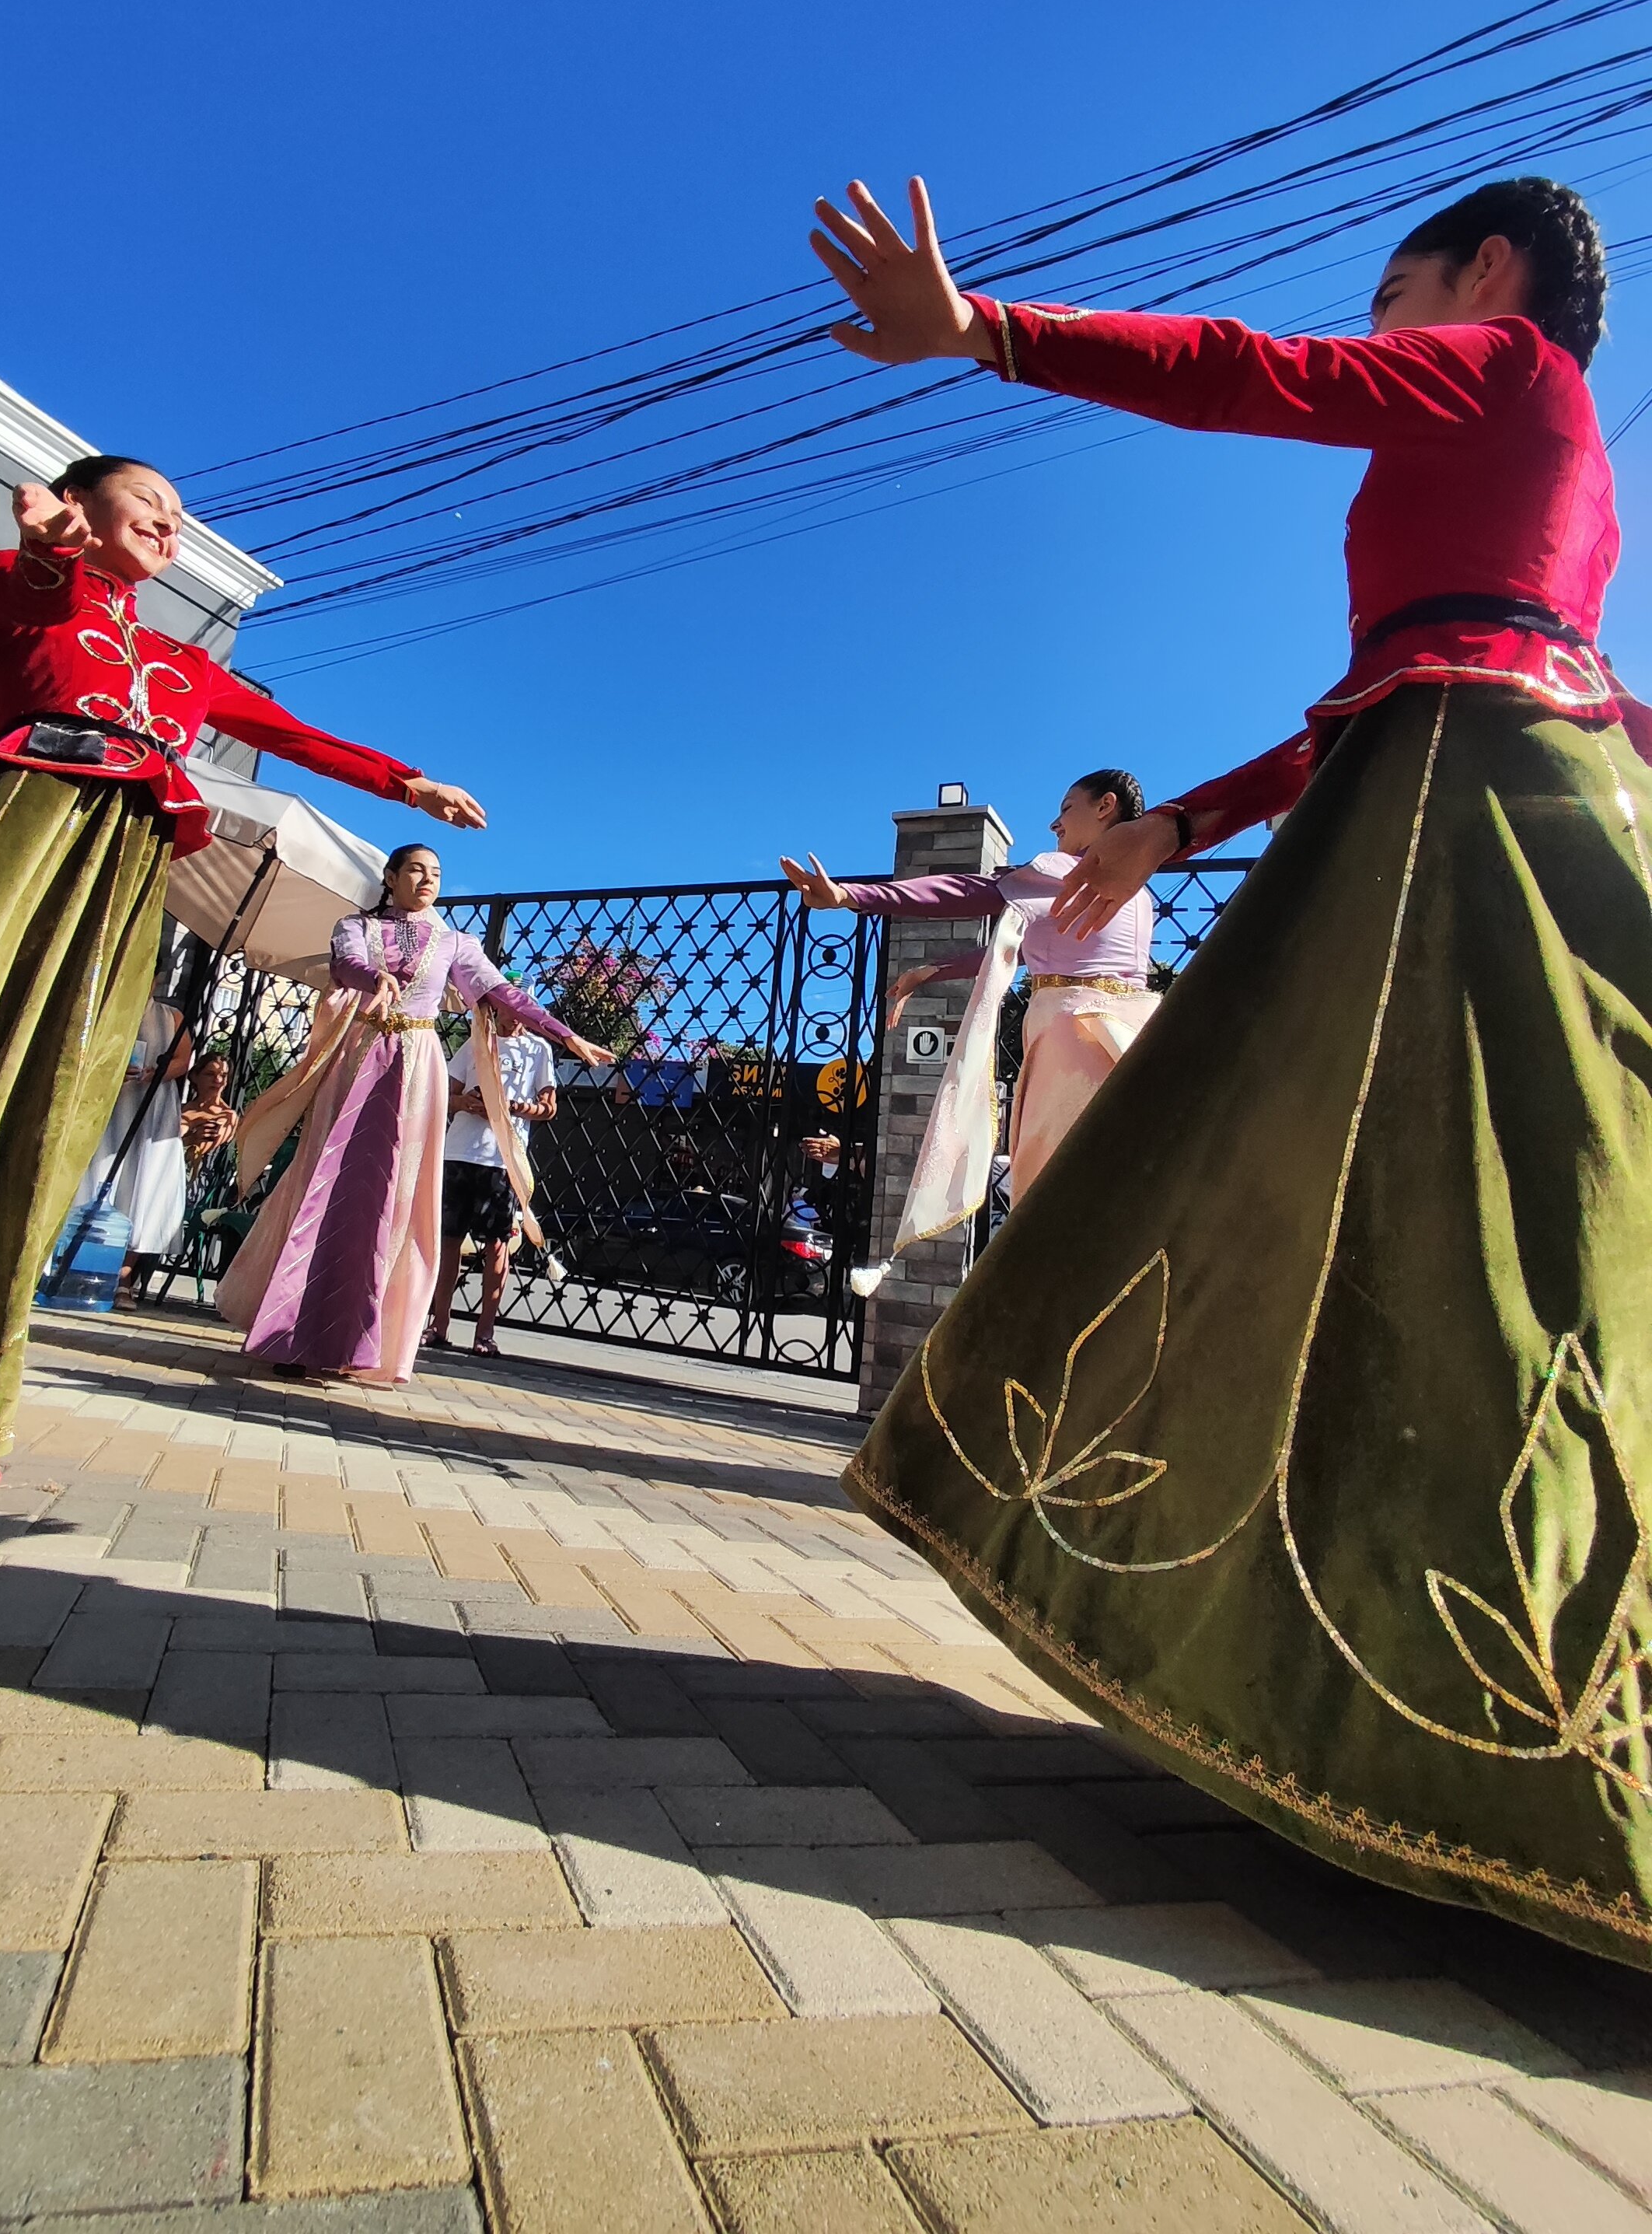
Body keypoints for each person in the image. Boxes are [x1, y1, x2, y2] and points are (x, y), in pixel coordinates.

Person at [809, 170, 1652, 1970]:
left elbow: (1245, 371)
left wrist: (990, 330)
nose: (1379, 321)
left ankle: (1481, 1741)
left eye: (1396, 283)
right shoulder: (1526, 452)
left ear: (1485, 272)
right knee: (1456, 1240)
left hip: (1463, 820)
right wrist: (1188, 815)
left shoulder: (1503, 365)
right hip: (1470, 782)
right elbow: (1390, 675)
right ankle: (1399, 1707)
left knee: (1404, 1231)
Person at [0, 458, 483, 1494]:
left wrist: (407, 781)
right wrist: (52, 547)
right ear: (79, 505)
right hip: (20, 846)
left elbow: (290, 736)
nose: (172, 526)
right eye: (152, 506)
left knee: (43, 1113)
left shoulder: (182, 663)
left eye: (182, 517)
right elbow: (18, 582)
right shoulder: (27, 590)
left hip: (124, 870)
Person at [218, 845, 610, 1383]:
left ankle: (362, 1340)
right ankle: (294, 1331)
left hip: (415, 1066)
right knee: (330, 1185)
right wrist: (373, 980)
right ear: (391, 877)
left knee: (394, 1198)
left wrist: (565, 1035)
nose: (428, 880)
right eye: (416, 870)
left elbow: (499, 992)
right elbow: (344, 964)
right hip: (359, 1058)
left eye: (437, 873)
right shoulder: (357, 926)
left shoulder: (454, 942)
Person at [783, 768, 1159, 1259]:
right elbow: (1030, 951)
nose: (1055, 824)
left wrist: (852, 896)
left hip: (1075, 1042)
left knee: (1056, 1197)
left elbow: (971, 891)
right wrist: (933, 971)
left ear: (1105, 806)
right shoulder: (1137, 891)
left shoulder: (1066, 871)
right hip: (1134, 1037)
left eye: (1067, 808)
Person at [424, 988, 558, 1357]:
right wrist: (466, 1102)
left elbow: (549, 1108)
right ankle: (438, 1325)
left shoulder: (537, 1051)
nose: (510, 1017)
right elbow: (444, 1097)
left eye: (518, 1010)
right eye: (503, 1009)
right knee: (449, 1240)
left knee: (498, 1244)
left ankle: (485, 1332)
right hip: (459, 1153)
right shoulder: (475, 1046)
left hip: (501, 1160)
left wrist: (514, 1107)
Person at [72, 965, 193, 1302]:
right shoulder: (107, 1007)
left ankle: (124, 1278)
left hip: (152, 1112)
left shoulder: (170, 1016)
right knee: (96, 1181)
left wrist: (162, 1071)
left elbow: (184, 1058)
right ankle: (77, 1268)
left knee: (143, 1187)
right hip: (109, 1108)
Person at [180, 1053, 240, 1169]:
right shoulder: (180, 1107)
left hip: (192, 1181)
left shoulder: (227, 1116)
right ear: (195, 1076)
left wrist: (189, 1139)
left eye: (223, 1076)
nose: (217, 1080)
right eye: (210, 1074)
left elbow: (195, 1152)